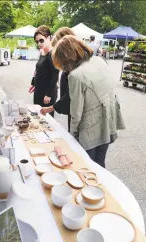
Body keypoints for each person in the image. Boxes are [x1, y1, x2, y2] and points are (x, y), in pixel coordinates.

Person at [51, 35, 125, 168]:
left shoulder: (76, 75)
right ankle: (101, 188)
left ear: (66, 57)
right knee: (100, 163)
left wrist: (72, 136)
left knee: (85, 166)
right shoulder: (98, 60)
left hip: (91, 127)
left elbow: (76, 112)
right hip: (108, 119)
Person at [40, 27, 75, 132]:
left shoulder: (75, 68)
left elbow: (71, 95)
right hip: (72, 113)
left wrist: (51, 107)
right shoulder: (70, 64)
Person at [29, 25, 59, 117]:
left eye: (41, 40)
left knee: (47, 120)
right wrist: (33, 83)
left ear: (48, 38)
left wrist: (48, 95)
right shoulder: (42, 53)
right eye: (37, 41)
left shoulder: (52, 54)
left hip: (47, 93)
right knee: (37, 117)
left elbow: (55, 75)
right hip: (38, 91)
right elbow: (38, 70)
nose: (39, 43)